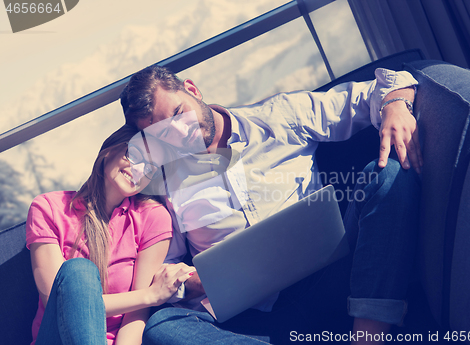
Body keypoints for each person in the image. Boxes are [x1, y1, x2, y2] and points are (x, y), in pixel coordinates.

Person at [120, 65, 423, 344]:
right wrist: (196, 281)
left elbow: (380, 88)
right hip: (255, 318)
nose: (182, 132)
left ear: (192, 90)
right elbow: (167, 271)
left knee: (388, 176)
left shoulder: (279, 116)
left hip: (331, 276)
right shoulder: (167, 187)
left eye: (179, 112)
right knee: (163, 326)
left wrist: (395, 106)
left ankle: (368, 337)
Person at [26, 125, 197, 345]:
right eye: (133, 154)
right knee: (79, 271)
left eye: (150, 167)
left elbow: (136, 317)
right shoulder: (48, 208)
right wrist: (151, 295)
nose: (138, 169)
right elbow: (58, 302)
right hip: (57, 337)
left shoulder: (153, 218)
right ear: (108, 150)